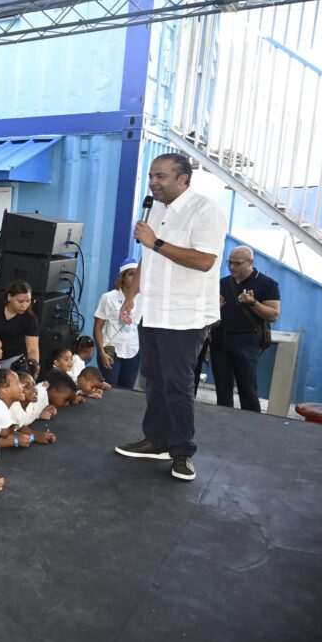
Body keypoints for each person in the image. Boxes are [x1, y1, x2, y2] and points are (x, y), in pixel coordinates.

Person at [115, 153, 228, 482]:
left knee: (178, 385)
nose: (153, 182)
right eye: (152, 176)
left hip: (184, 316)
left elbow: (205, 260)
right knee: (154, 379)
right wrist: (130, 297)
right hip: (152, 312)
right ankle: (156, 440)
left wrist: (157, 241)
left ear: (184, 179)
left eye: (161, 176)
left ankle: (182, 451)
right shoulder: (158, 210)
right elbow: (147, 262)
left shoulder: (206, 211)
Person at [211, 245, 281, 412]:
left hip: (246, 341)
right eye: (230, 263)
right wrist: (215, 308)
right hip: (220, 338)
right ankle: (223, 424)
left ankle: (252, 427)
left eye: (237, 263)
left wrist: (252, 303)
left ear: (250, 262)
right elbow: (208, 313)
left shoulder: (267, 284)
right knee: (222, 388)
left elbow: (273, 314)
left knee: (247, 389)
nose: (232, 267)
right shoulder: (222, 283)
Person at [93, 258, 142, 388]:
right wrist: (101, 352)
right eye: (131, 274)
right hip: (110, 349)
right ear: (122, 277)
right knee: (110, 388)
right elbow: (98, 327)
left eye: (137, 274)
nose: (135, 277)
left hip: (133, 350)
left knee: (127, 391)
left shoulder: (143, 300)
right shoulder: (108, 298)